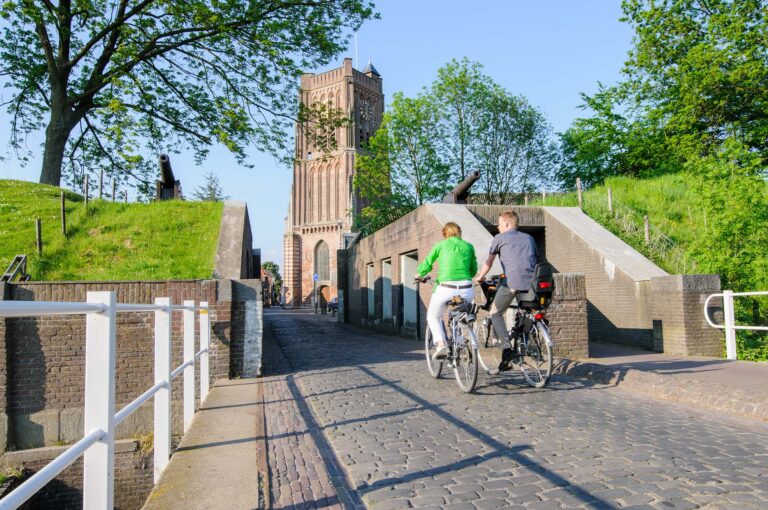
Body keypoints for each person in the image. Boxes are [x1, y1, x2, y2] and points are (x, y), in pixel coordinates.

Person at [474, 211, 538, 371]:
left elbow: (488, 262)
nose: (497, 226)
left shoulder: (499, 239)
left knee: (495, 313)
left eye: (499, 223)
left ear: (508, 224)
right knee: (526, 311)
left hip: (512, 283)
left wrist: (480, 277)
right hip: (532, 284)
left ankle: (507, 349)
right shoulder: (529, 238)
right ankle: (526, 339)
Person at [415, 222, 478, 360]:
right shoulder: (469, 246)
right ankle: (461, 341)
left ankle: (441, 343)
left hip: (445, 288)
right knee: (461, 313)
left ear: (445, 234)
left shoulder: (440, 245)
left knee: (433, 316)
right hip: (467, 288)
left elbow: (427, 263)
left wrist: (420, 274)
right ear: (459, 232)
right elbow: (473, 269)